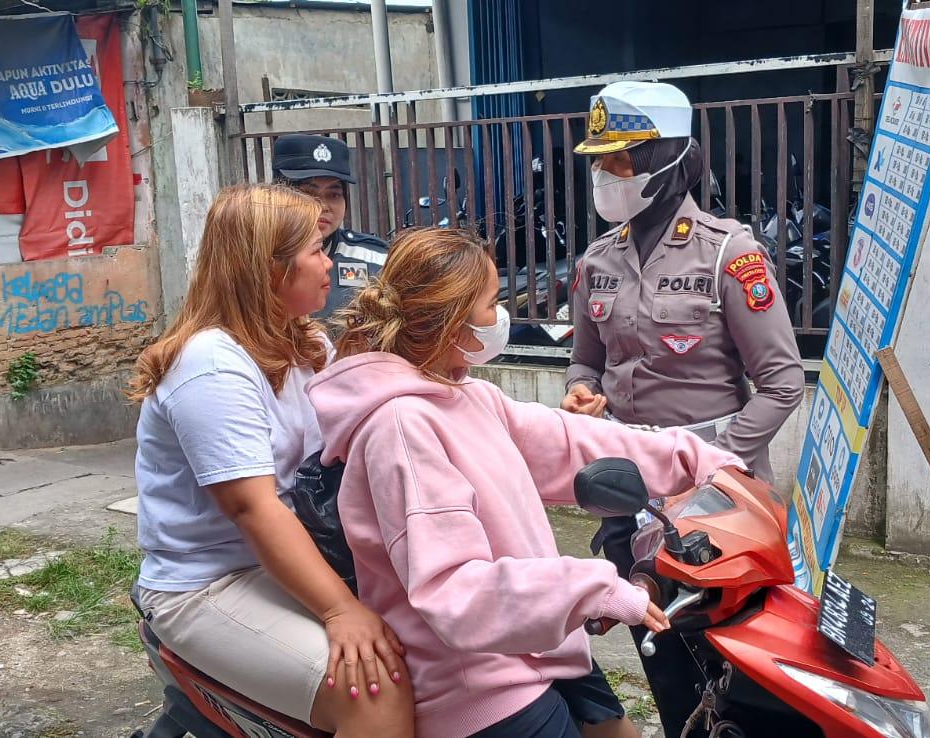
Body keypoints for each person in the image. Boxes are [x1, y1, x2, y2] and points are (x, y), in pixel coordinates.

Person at [307, 228, 743, 738]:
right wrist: (591, 588)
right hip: (478, 684)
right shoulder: (401, 427)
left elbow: (569, 442)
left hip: (537, 648)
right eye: (492, 304)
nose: (502, 317)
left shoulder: (464, 394)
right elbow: (455, 591)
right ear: (453, 326)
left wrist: (700, 461)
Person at [560, 81, 807, 736]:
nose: (604, 173)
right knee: (666, 664)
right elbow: (586, 363)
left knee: (740, 680)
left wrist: (710, 469)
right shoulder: (596, 262)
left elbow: (783, 382)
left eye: (620, 159)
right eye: (599, 158)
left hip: (715, 509)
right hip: (627, 497)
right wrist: (583, 393)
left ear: (671, 159)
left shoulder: (731, 254)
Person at [128, 184, 413, 738]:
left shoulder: (303, 344)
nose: (329, 263)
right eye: (316, 250)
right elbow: (256, 508)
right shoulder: (211, 364)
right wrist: (341, 612)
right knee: (376, 690)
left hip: (292, 560)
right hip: (208, 583)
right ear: (269, 268)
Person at [273, 133, 392, 319]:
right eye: (308, 194)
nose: (323, 206)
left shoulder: (377, 260)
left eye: (334, 195)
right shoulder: (252, 261)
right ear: (276, 193)